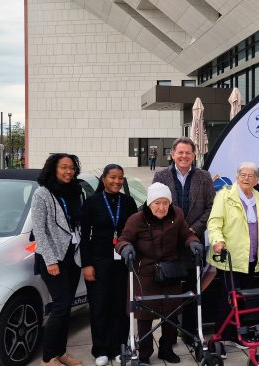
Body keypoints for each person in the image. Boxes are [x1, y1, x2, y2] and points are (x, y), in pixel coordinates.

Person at [115, 183, 202, 364]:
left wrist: (193, 241)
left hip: (171, 271)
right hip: (145, 274)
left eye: (165, 203)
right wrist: (126, 248)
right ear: (149, 203)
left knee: (171, 313)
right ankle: (144, 353)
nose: (161, 207)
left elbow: (186, 234)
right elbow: (122, 240)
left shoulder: (176, 215)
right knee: (144, 315)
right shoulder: (136, 219)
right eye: (157, 203)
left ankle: (166, 349)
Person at [152, 137, 216, 348]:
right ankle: (168, 339)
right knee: (169, 295)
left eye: (188, 153)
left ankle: (190, 334)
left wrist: (192, 229)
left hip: (194, 244)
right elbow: (155, 206)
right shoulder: (160, 176)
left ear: (194, 155)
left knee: (191, 292)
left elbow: (211, 208)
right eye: (180, 152)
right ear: (173, 155)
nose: (184, 156)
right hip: (169, 244)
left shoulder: (204, 176)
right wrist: (176, 229)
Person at [80, 164, 139, 366]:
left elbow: (134, 232)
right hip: (98, 262)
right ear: (104, 179)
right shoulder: (91, 203)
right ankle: (101, 349)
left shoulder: (128, 201)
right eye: (112, 177)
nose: (117, 182)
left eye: (120, 178)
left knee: (120, 306)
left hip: (122, 262)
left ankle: (119, 347)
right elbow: (84, 238)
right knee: (99, 306)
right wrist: (86, 265)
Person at [207, 162, 259, 340]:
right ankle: (221, 335)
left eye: (250, 176)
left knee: (245, 298)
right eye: (243, 175)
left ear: (256, 180)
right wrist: (217, 241)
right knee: (229, 299)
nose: (246, 178)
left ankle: (240, 333)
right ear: (237, 177)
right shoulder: (225, 196)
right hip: (231, 257)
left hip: (251, 258)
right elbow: (214, 223)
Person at [30, 153, 85, 366]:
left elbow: (78, 223)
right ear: (54, 169)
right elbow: (40, 231)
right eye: (64, 167)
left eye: (71, 167)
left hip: (73, 256)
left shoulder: (76, 192)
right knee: (60, 306)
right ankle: (47, 358)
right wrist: (51, 260)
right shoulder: (42, 194)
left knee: (67, 306)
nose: (68, 171)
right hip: (52, 258)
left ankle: (61, 352)